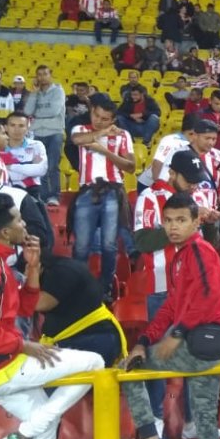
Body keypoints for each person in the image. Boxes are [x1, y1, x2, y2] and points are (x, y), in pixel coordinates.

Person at [0, 194, 104, 439]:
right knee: (95, 362)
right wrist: (24, 345)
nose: (24, 223)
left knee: (45, 424)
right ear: (4, 232)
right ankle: (22, 434)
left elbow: (24, 308)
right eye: (18, 219)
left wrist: (33, 269)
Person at [123, 193, 220, 439]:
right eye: (168, 221)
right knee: (204, 417)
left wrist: (177, 333)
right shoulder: (180, 256)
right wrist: (145, 340)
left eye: (181, 220)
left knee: (129, 371)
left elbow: (208, 299)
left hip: (207, 339)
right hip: (206, 341)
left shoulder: (199, 251)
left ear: (196, 222)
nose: (174, 227)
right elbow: (172, 304)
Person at [69, 95, 136, 295]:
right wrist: (103, 132)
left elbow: (131, 167)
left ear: (113, 119)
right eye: (96, 115)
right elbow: (76, 140)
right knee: (81, 245)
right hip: (87, 189)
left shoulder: (123, 135)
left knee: (109, 244)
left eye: (105, 118)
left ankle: (105, 288)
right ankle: (77, 287)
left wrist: (104, 151)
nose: (98, 120)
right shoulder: (81, 129)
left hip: (113, 190)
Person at [34, 251, 127, 367]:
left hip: (94, 338)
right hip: (73, 339)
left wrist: (24, 286)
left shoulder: (63, 271)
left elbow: (40, 304)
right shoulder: (53, 270)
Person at [22, 66, 65, 205]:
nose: (42, 77)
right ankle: (44, 196)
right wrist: (33, 94)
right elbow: (28, 111)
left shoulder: (58, 91)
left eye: (45, 74)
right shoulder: (35, 93)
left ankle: (54, 196)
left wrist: (37, 117)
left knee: (52, 166)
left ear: (50, 74)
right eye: (39, 74)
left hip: (55, 133)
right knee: (40, 165)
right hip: (38, 133)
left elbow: (54, 110)